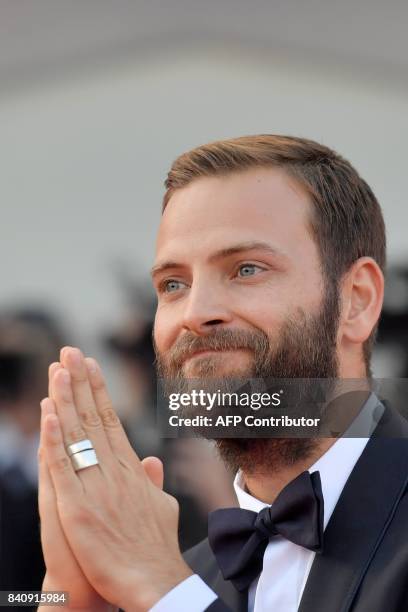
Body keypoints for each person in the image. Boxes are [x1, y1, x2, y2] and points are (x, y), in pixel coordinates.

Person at [37, 135, 408, 612]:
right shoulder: (181, 577)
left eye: (246, 269)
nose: (195, 313)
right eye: (173, 284)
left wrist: (167, 594)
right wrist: (63, 597)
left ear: (357, 300)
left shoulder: (167, 587)